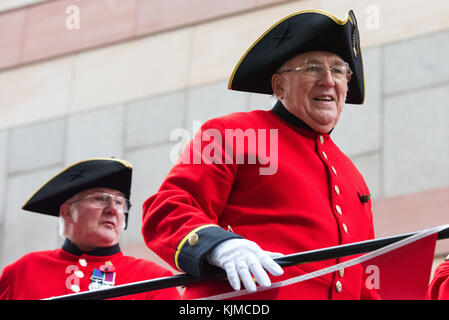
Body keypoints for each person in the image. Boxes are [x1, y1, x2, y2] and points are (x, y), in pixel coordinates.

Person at [142, 9, 379, 299]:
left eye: (339, 70)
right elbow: (167, 210)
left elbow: (363, 280)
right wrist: (218, 246)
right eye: (313, 68)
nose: (329, 80)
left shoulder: (352, 175)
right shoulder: (233, 133)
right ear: (279, 85)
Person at [0, 158, 180, 300]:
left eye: (119, 202)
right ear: (68, 212)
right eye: (100, 199)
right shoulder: (22, 272)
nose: (112, 209)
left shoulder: (151, 278)